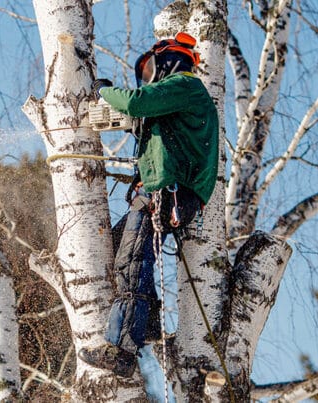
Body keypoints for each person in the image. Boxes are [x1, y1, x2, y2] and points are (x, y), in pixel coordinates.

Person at [78, 32, 219, 377]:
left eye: (151, 70)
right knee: (115, 249)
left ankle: (123, 347)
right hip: (166, 193)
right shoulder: (180, 102)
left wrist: (103, 92)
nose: (149, 77)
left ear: (169, 62)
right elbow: (148, 123)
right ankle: (149, 325)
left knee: (131, 262)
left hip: (164, 193)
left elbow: (136, 102)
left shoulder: (184, 85)